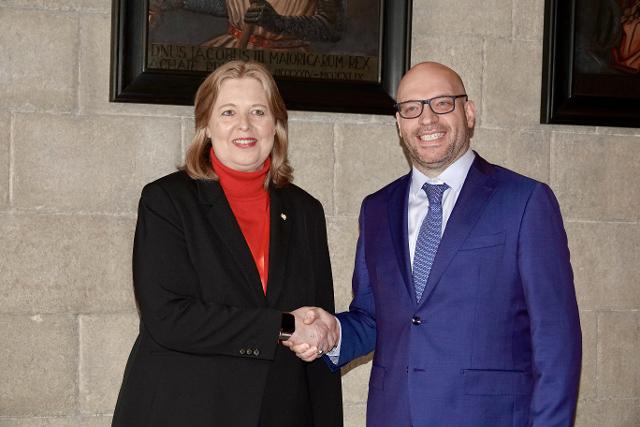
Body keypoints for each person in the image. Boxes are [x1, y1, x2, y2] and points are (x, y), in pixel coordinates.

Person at [286, 62, 582, 426]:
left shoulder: (524, 201)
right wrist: (333, 333)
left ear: (468, 112)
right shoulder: (377, 208)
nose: (426, 119)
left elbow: (556, 341)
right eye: (411, 108)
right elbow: (377, 317)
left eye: (442, 103)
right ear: (399, 123)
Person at [111, 60, 342, 427]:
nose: (244, 126)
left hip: (280, 411)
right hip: (185, 410)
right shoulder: (166, 201)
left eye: (258, 112)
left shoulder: (305, 210)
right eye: (228, 112)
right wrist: (282, 326)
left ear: (276, 125)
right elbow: (168, 318)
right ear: (205, 125)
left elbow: (315, 327)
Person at [150, 0, 343, 51]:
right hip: (233, 48)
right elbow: (236, 7)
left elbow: (330, 28)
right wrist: (184, 2)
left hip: (287, 60)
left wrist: (279, 23)